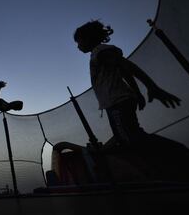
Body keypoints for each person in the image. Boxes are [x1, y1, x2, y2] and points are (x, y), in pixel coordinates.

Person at [73, 20, 181, 148]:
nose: (78, 46)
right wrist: (137, 93)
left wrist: (152, 86)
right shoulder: (98, 54)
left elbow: (126, 65)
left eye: (78, 42)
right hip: (117, 102)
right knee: (125, 137)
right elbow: (124, 72)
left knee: (131, 138)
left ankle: (177, 150)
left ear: (88, 39)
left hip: (118, 102)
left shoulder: (100, 51)